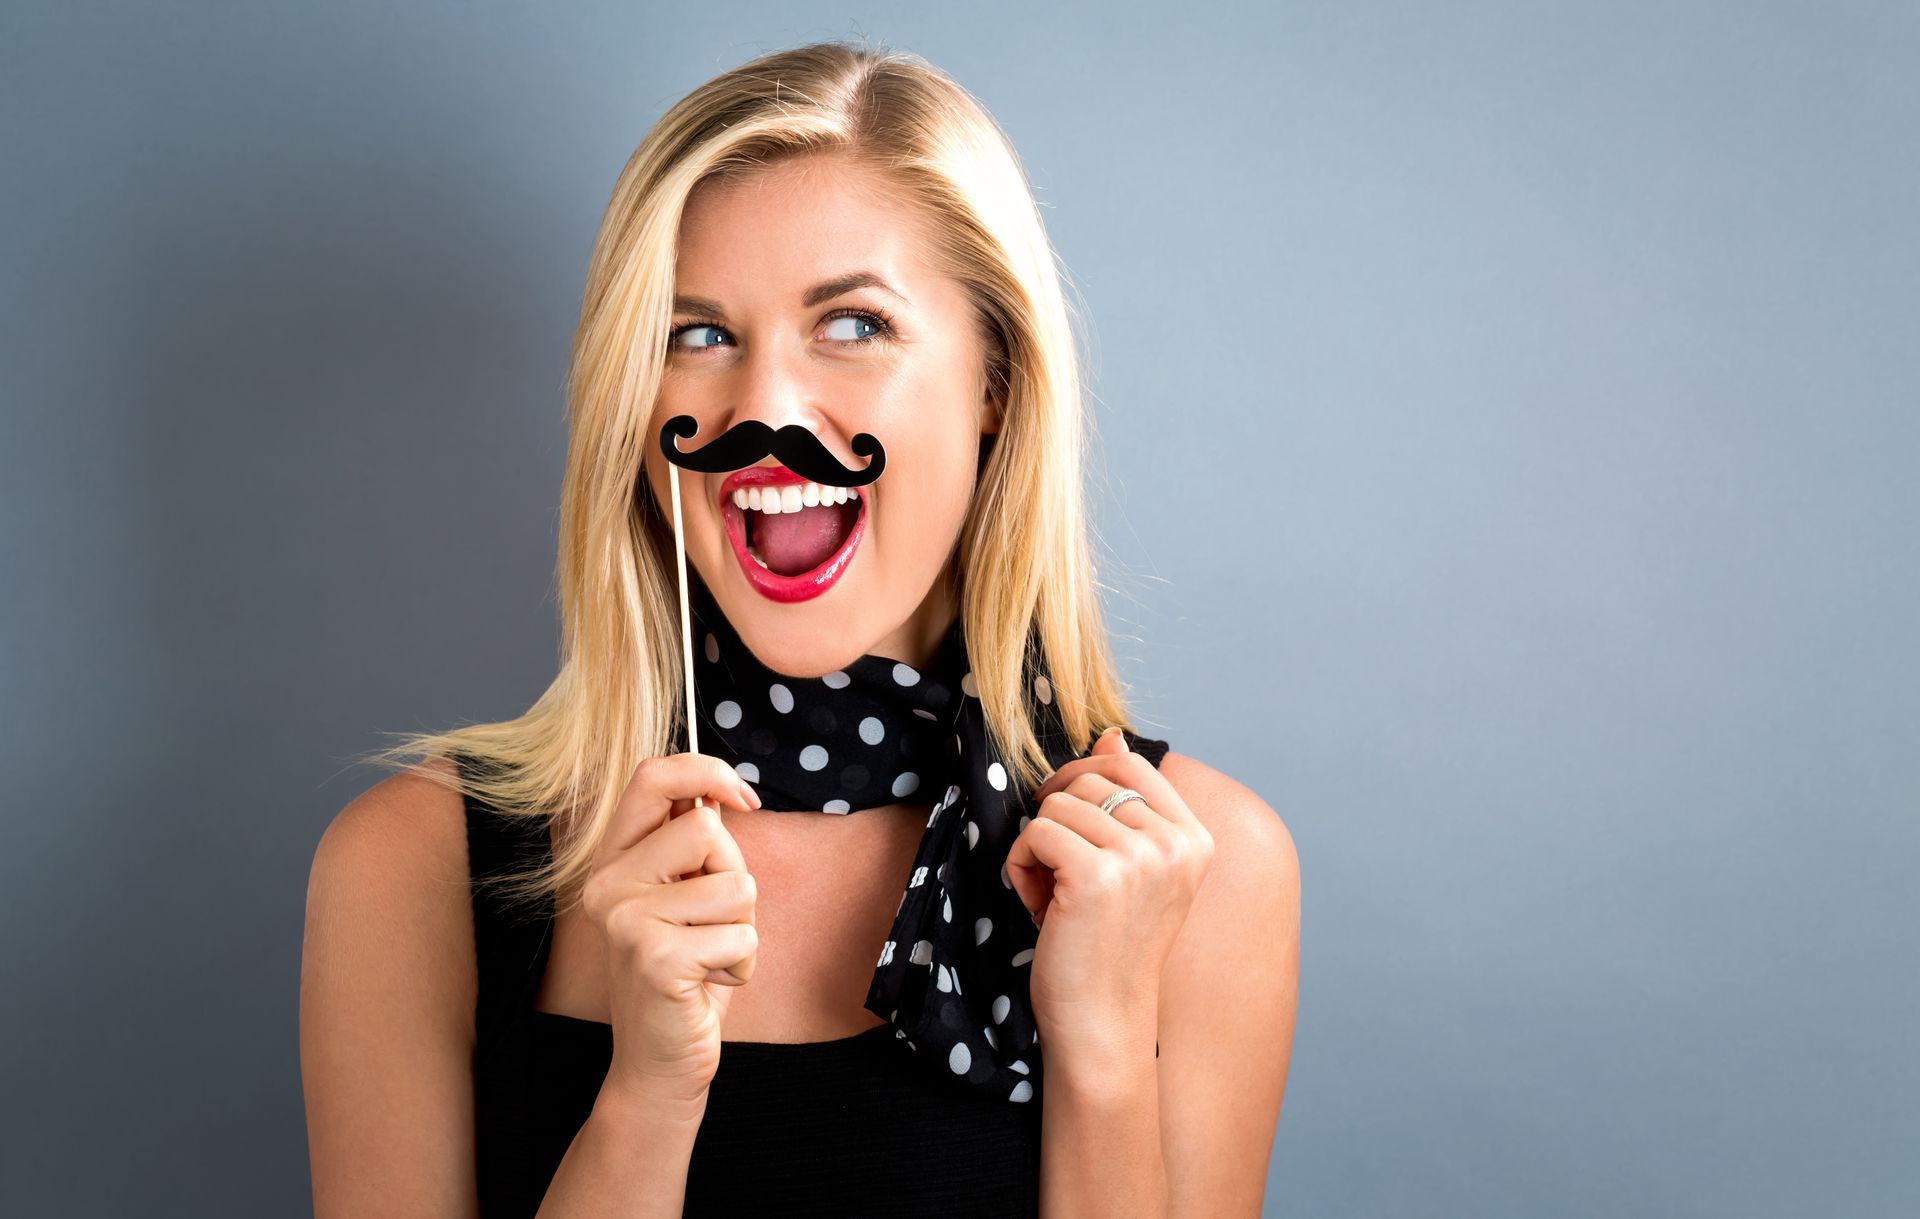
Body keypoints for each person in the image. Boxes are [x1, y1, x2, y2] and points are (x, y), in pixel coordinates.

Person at [301, 39, 1298, 1218]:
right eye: (699, 334)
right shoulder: (411, 868)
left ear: (997, 382)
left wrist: (1103, 1058)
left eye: (855, 325)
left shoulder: (1201, 872)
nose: (763, 409)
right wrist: (647, 1097)